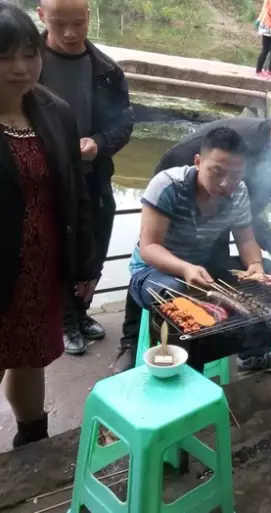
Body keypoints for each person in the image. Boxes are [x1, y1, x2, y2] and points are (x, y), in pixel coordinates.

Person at [113, 104, 271, 372]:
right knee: (178, 292)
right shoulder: (167, 185)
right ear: (197, 162)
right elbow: (149, 248)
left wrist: (255, 265)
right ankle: (168, 365)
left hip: (202, 266)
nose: (226, 183)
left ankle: (253, 354)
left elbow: (246, 241)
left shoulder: (238, 190)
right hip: (154, 271)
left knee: (269, 271)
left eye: (235, 174)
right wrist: (185, 268)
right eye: (217, 172)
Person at [0, 2, 98, 447]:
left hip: (40, 264)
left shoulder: (54, 112)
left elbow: (75, 193)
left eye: (29, 54)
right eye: (5, 58)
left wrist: (84, 266)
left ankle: (32, 443)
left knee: (30, 356)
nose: (21, 69)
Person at [38, 0, 134, 356]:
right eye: (59, 23)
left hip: (91, 179)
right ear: (41, 15)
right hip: (43, 181)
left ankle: (80, 312)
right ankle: (62, 321)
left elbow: (123, 123)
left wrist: (99, 143)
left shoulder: (106, 70)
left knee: (91, 249)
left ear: (89, 17)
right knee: (53, 249)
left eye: (78, 23)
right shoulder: (27, 62)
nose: (69, 33)